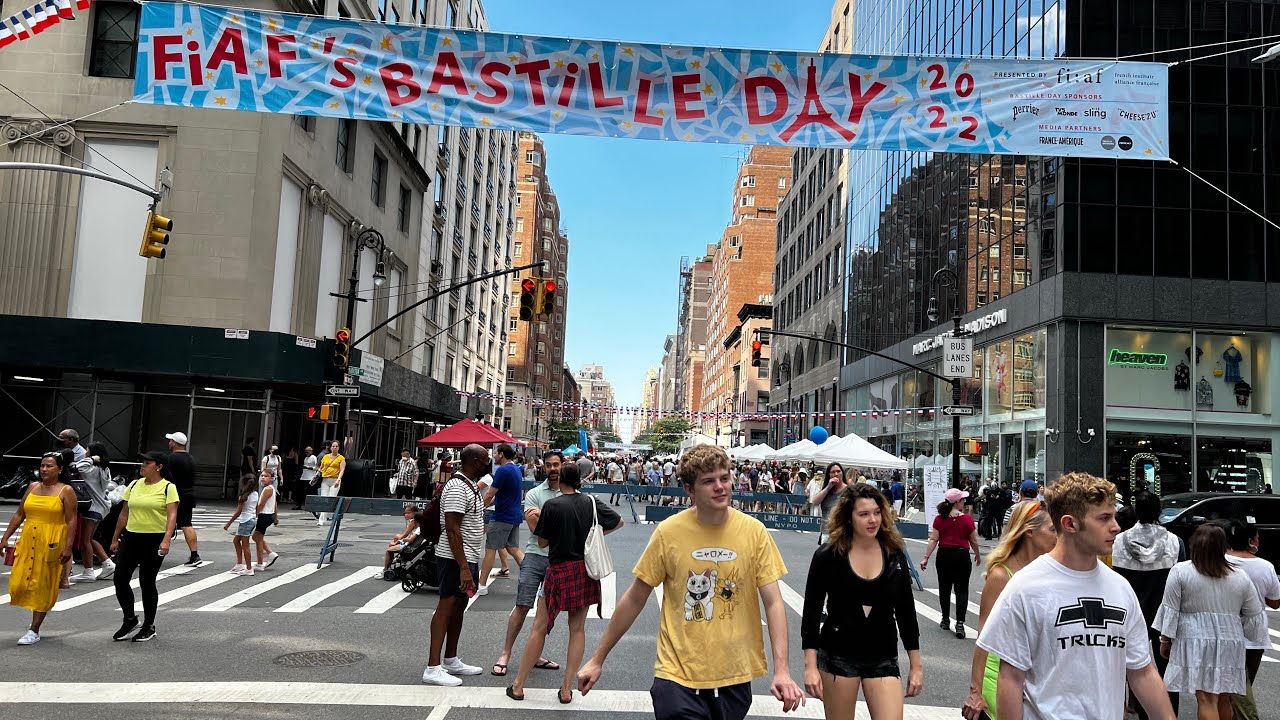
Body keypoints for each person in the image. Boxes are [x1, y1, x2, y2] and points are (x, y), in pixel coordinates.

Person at [577, 444, 805, 719]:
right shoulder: (669, 532)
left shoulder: (754, 532)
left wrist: (782, 670)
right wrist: (597, 658)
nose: (720, 487)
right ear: (689, 490)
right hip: (676, 676)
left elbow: (773, 602)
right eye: (709, 482)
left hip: (734, 676)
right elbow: (636, 597)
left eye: (724, 478)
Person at [976, 472, 1176, 720]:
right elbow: (1011, 679)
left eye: (1114, 516)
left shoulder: (1120, 588)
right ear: (1070, 524)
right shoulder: (1025, 588)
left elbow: (1141, 671)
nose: (1115, 527)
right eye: (1104, 518)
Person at [801, 483, 922, 719]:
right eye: (864, 514)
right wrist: (810, 666)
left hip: (882, 654)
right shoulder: (828, 555)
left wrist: (916, 666)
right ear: (848, 517)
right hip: (838, 653)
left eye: (877, 512)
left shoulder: (894, 554)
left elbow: (907, 613)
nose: (873, 520)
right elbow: (812, 612)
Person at [508, 463, 623, 704]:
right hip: (584, 570)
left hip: (558, 569)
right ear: (579, 479)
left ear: (560, 480)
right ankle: (567, 689)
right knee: (577, 629)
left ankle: (518, 685)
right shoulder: (590, 502)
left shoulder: (552, 505)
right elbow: (618, 522)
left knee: (539, 626)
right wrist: (593, 537)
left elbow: (541, 543)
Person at [1153, 524, 1267, 720]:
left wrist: (1165, 639)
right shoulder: (1239, 576)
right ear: (1223, 547)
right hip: (1230, 641)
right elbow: (1254, 614)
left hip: (1194, 639)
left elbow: (1171, 609)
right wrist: (1245, 635)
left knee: (1206, 698)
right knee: (1224, 698)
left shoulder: (1181, 571)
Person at [961, 501, 1057, 720]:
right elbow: (984, 634)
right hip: (998, 675)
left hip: (1035, 676)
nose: (1057, 536)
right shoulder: (1002, 576)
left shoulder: (1047, 571)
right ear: (1030, 532)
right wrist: (975, 691)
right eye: (1052, 530)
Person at [1111, 491, 1184, 720]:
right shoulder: (1174, 541)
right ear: (1158, 512)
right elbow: (1180, 579)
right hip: (1164, 614)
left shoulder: (1120, 541)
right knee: (1167, 671)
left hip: (1132, 613)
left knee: (1137, 669)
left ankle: (1143, 712)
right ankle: (1169, 713)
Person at [421, 443, 488, 687]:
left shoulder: (470, 486)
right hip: (453, 558)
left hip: (467, 556)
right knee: (446, 606)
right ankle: (432, 667)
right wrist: (462, 567)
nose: (487, 463)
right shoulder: (458, 487)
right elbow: (451, 529)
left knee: (459, 605)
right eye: (484, 460)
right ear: (474, 461)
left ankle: (450, 659)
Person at [492, 450, 564, 677]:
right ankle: (505, 653)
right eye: (549, 465)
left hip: (559, 559)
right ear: (544, 468)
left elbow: (561, 528)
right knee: (522, 605)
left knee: (548, 613)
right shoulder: (533, 493)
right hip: (535, 555)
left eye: (556, 465)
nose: (553, 469)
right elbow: (535, 530)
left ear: (562, 466)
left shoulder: (571, 494)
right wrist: (559, 524)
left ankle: (534, 654)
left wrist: (544, 516)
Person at [2, 450, 78, 645]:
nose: (44, 469)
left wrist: (68, 548)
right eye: (42, 465)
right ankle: (33, 624)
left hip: (51, 540)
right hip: (28, 539)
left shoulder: (66, 491)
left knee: (43, 584)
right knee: (19, 582)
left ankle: (34, 629)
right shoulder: (33, 486)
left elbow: (71, 520)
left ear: (60, 469)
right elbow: (20, 514)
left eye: (49, 466)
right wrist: (5, 537)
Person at [110, 451, 179, 643]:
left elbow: (172, 516)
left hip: (154, 539)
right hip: (131, 537)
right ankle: (130, 619)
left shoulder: (168, 488)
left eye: (147, 463)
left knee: (147, 582)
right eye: (142, 462)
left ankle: (149, 625)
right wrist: (115, 538)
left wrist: (166, 540)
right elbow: (124, 514)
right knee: (120, 579)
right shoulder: (133, 485)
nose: (142, 465)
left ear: (159, 467)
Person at [1221, 519, 1280, 720]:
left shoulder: (1220, 562)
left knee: (1233, 687)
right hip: (1254, 634)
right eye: (1257, 538)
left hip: (1225, 631)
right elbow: (1274, 603)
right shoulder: (1265, 566)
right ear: (1250, 541)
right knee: (1242, 686)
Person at [920, 487, 981, 638]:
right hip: (961, 555)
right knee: (961, 590)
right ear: (957, 502)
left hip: (944, 555)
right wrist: (978, 555)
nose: (964, 502)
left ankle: (945, 619)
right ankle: (960, 623)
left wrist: (926, 557)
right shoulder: (967, 519)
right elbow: (973, 540)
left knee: (944, 588)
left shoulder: (940, 518)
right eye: (963, 499)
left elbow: (934, 539)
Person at [477, 443, 526, 597]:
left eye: (495, 453)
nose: (494, 456)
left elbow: (490, 494)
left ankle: (482, 585)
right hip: (514, 515)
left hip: (502, 517)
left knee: (490, 549)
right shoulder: (516, 469)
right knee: (513, 549)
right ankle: (534, 579)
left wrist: (478, 508)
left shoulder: (503, 470)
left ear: (502, 454)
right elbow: (500, 496)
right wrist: (487, 505)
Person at [69, 442, 117, 583]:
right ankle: (107, 563)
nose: (85, 451)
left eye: (88, 450)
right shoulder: (104, 469)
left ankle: (88, 571)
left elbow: (76, 466)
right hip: (101, 507)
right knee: (89, 538)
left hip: (92, 507)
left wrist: (91, 459)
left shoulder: (90, 469)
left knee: (85, 540)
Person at [164, 431, 203, 567]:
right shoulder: (190, 458)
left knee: (161, 523)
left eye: (170, 441)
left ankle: (157, 551)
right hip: (188, 494)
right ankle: (194, 554)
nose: (169, 443)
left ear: (174, 443)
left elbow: (165, 477)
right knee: (187, 524)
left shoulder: (171, 459)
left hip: (174, 495)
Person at [224, 475, 259, 577]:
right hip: (251, 519)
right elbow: (256, 508)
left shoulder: (243, 497)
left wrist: (228, 524)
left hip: (245, 521)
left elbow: (238, 512)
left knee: (245, 545)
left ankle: (248, 568)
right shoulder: (255, 494)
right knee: (236, 541)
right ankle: (239, 564)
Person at [251, 467, 280, 571]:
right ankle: (270, 553)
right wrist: (275, 517)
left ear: (272, 478)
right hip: (269, 515)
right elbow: (275, 504)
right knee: (256, 537)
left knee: (258, 538)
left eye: (266, 476)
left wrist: (254, 515)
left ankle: (260, 563)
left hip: (264, 516)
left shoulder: (267, 489)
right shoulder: (271, 489)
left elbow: (261, 504)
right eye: (262, 476)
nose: (263, 478)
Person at [810, 463, 844, 543]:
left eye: (838, 471)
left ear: (842, 473)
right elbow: (815, 502)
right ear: (828, 475)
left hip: (840, 534)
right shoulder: (826, 490)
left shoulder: (848, 490)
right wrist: (828, 487)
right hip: (826, 532)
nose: (836, 474)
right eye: (833, 472)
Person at [383, 505, 420, 577]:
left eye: (408, 513)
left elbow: (405, 535)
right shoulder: (414, 521)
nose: (406, 515)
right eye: (405, 513)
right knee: (397, 536)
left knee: (389, 550)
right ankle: (397, 557)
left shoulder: (412, 522)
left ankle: (385, 569)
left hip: (410, 544)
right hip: (412, 540)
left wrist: (395, 543)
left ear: (415, 513)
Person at [316, 440, 344, 526]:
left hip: (335, 480)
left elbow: (342, 469)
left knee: (331, 499)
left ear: (339, 448)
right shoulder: (325, 457)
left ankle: (329, 516)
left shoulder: (341, 458)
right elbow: (321, 467)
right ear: (330, 447)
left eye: (336, 446)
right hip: (325, 480)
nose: (334, 448)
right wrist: (317, 473)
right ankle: (321, 519)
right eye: (333, 446)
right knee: (324, 499)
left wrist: (339, 479)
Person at [296, 446, 318, 510]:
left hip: (310, 477)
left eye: (308, 451)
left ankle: (310, 506)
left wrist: (308, 468)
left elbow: (317, 467)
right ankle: (299, 505)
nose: (306, 453)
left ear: (311, 451)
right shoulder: (305, 458)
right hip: (304, 477)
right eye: (305, 452)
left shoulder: (314, 458)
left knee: (310, 492)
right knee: (300, 492)